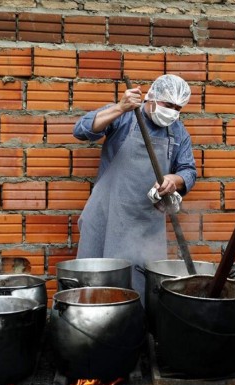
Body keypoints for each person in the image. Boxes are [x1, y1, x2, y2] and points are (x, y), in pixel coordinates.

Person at [73, 74, 197, 300]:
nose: (172, 112)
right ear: (152, 97)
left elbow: (188, 171)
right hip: (106, 215)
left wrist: (174, 180)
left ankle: (136, 332)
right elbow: (82, 130)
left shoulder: (178, 132)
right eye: (168, 105)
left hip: (146, 222)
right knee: (94, 282)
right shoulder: (126, 117)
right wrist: (120, 108)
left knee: (139, 288)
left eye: (178, 108)